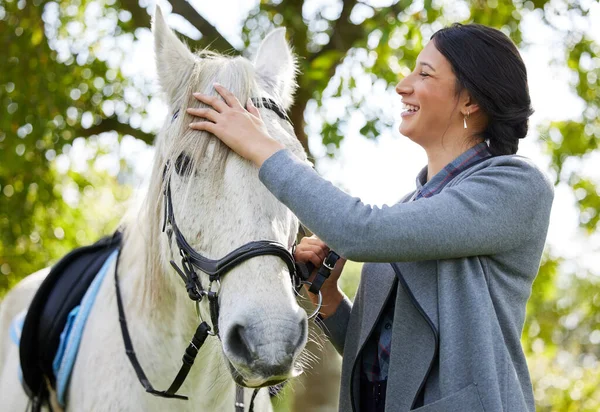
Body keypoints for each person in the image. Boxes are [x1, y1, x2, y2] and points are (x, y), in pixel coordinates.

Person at [186, 23, 553, 412]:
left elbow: (360, 232)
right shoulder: (411, 206)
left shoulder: (516, 185)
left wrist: (261, 146)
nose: (402, 85)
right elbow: (380, 364)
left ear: (470, 101)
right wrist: (328, 300)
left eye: (424, 74)